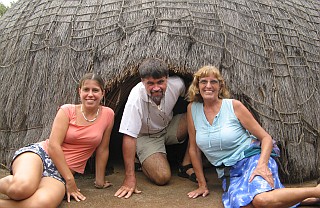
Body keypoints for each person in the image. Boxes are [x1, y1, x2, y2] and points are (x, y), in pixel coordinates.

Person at [186, 65, 320, 207]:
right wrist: (202, 185)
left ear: (220, 86)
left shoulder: (233, 106)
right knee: (244, 205)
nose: (208, 86)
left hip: (252, 158)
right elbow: (194, 150)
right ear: (197, 86)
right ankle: (312, 199)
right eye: (203, 82)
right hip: (229, 172)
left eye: (213, 82)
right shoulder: (192, 109)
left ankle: (316, 191)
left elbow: (266, 138)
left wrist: (262, 165)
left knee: (261, 200)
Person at [0, 73, 114, 207]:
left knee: (42, 204)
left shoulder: (108, 114)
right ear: (79, 91)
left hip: (59, 173)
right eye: (86, 90)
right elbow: (54, 146)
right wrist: (70, 180)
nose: (90, 94)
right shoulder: (67, 110)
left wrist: (100, 181)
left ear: (102, 93)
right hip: (41, 155)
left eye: (95, 90)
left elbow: (102, 149)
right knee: (21, 188)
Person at [114, 58, 195, 199]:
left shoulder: (177, 84)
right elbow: (129, 136)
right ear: (142, 82)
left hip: (169, 127)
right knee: (162, 177)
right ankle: (140, 157)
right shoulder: (135, 98)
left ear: (167, 79)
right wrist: (129, 177)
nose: (156, 88)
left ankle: (186, 164)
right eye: (150, 83)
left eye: (160, 82)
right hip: (146, 137)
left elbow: (191, 94)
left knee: (196, 111)